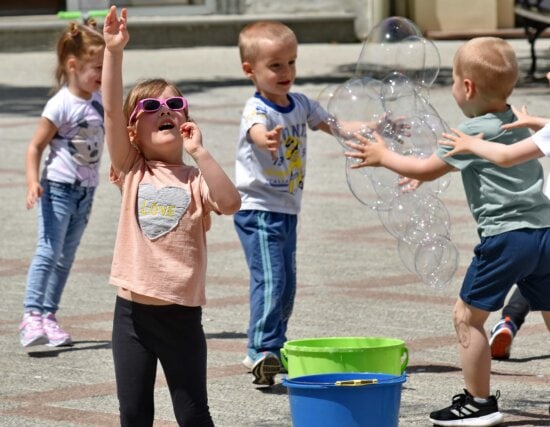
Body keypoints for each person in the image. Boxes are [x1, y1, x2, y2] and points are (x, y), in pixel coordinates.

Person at [344, 36, 550, 426]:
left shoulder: (469, 132)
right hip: (545, 233)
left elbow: (425, 167)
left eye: (454, 81)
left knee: (466, 318)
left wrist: (382, 156)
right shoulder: (519, 124)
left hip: (506, 239)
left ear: (467, 87)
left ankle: (478, 402)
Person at [102, 6, 241, 426]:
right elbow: (109, 110)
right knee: (134, 412)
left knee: (193, 412)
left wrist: (201, 152)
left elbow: (231, 202)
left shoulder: (196, 179)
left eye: (175, 104)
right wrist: (114, 51)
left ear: (186, 121)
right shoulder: (131, 169)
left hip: (181, 317)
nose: (165, 109)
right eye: (151, 106)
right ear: (132, 131)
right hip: (130, 316)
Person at [234, 20, 335, 386]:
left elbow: (333, 124)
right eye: (275, 65)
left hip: (287, 209)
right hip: (258, 208)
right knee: (272, 279)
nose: (287, 72)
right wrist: (266, 140)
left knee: (287, 283)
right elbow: (255, 130)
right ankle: (260, 349)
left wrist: (377, 127)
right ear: (250, 70)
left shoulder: (300, 104)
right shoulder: (257, 108)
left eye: (291, 62)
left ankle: (273, 351)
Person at [19, 20, 106, 348]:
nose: (103, 74)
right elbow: (35, 147)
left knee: (66, 256)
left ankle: (49, 316)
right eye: (97, 67)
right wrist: (31, 182)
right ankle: (31, 316)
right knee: (48, 251)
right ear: (73, 65)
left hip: (87, 191)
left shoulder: (98, 98)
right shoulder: (60, 104)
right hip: (57, 188)